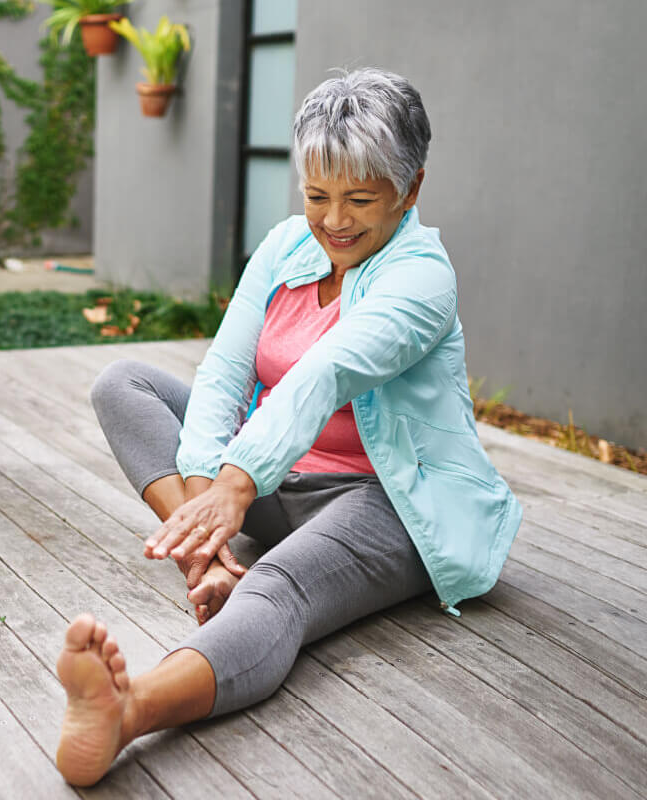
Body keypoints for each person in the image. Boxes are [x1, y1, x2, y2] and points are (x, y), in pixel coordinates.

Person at [54, 69, 522, 786]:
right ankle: (203, 559)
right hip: (280, 486)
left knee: (276, 589)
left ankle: (130, 709)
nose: (334, 219)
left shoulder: (423, 278)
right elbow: (224, 372)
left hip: (389, 503)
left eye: (360, 199)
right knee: (124, 384)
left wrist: (236, 485)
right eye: (316, 195)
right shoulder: (283, 250)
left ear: (412, 188)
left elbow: (325, 372)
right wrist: (209, 494)